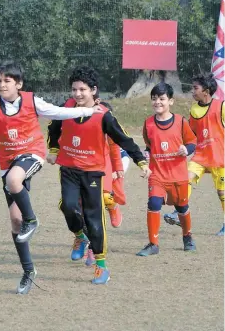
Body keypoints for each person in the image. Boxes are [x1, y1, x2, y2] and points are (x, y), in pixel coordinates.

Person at [0, 60, 102, 294]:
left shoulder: (32, 101)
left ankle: (32, 220)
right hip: (8, 163)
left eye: (7, 81)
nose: (2, 85)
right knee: (15, 221)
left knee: (14, 181)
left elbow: (57, 112)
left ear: (19, 84)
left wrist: (86, 110)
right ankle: (28, 271)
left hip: (32, 154)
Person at [47, 66, 151, 284]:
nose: (77, 94)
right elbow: (54, 128)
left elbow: (124, 139)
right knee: (68, 206)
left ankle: (101, 267)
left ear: (93, 90)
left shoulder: (104, 116)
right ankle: (79, 238)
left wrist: (141, 162)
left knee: (94, 219)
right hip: (68, 168)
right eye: (74, 89)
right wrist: (54, 150)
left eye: (82, 89)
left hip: (93, 173)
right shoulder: (66, 108)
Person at [136, 83, 197, 256]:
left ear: (170, 101)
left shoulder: (181, 121)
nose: (157, 102)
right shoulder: (148, 123)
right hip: (157, 175)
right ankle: (153, 244)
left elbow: (192, 142)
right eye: (154, 99)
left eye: (162, 99)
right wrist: (146, 157)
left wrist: (187, 149)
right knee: (153, 203)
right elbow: (149, 146)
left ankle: (187, 237)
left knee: (182, 207)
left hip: (178, 175)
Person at [163, 73, 224, 235]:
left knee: (222, 193)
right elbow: (191, 134)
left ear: (206, 90)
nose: (192, 91)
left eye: (195, 88)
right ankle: (179, 212)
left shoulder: (221, 106)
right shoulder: (195, 109)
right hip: (201, 156)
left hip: (220, 157)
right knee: (184, 179)